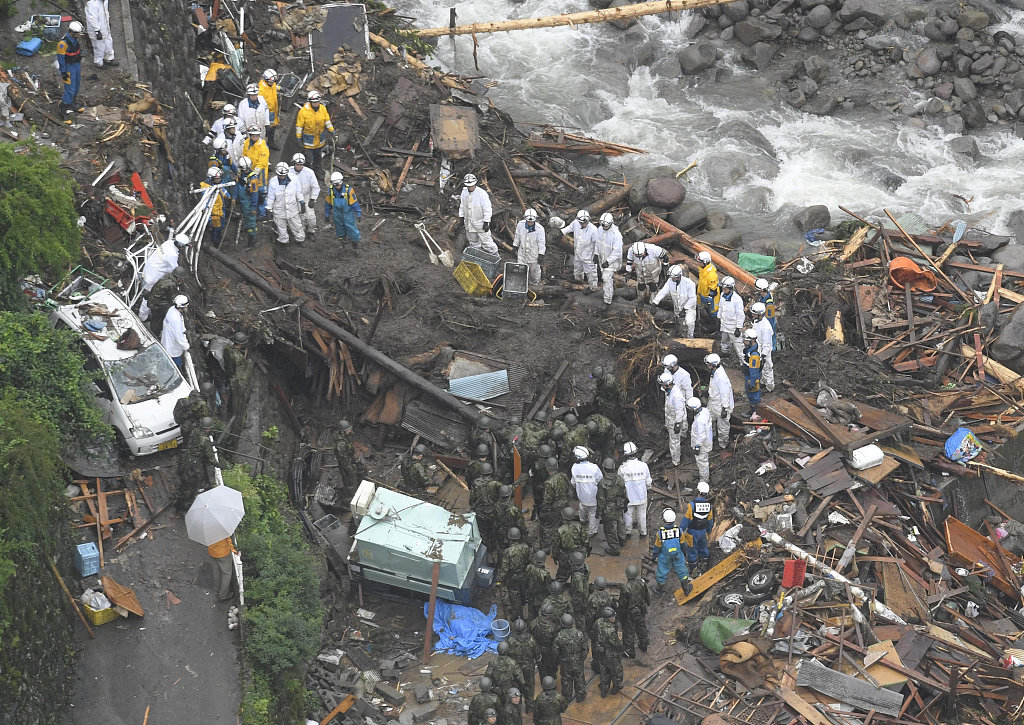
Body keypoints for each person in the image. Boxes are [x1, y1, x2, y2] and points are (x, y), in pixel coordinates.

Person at [139, 232, 188, 322]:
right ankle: (143, 317)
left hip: (149, 268)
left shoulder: (168, 243)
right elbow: (175, 269)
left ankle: (145, 312)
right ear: (181, 246)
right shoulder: (172, 254)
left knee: (148, 294)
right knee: (148, 296)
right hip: (153, 276)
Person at [176, 417, 219, 510]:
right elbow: (211, 457)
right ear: (208, 428)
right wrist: (218, 464)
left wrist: (209, 444)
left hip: (186, 458)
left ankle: (181, 496)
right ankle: (184, 504)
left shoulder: (195, 431)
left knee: (185, 480)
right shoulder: (205, 440)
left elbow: (196, 444)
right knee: (191, 484)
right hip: (194, 464)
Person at [652, 509, 692, 596]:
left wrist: (654, 557)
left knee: (662, 571)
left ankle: (659, 589)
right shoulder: (679, 531)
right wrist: (684, 554)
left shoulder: (660, 533)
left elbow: (657, 547)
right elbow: (683, 544)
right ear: (674, 520)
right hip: (677, 554)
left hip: (665, 556)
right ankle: (686, 589)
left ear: (663, 520)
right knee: (682, 570)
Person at [294, 90, 334, 175]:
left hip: (320, 139)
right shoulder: (304, 112)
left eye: (318, 102)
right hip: (309, 140)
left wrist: (332, 131)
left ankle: (317, 170)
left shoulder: (322, 108)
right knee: (308, 159)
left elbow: (327, 121)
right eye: (314, 102)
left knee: (318, 157)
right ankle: (307, 173)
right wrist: (298, 137)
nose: (316, 104)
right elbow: (299, 126)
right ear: (310, 102)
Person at [652, 264, 697, 337]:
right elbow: (663, 292)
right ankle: (681, 338)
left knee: (689, 323)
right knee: (680, 325)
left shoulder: (689, 284)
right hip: (677, 308)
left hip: (689, 308)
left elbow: (692, 298)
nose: (672, 279)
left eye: (673, 277)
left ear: (679, 276)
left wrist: (685, 309)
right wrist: (654, 303)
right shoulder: (670, 281)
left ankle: (690, 338)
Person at [552, 613, 589, 703]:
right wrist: (581, 659)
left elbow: (555, 652)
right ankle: (580, 697)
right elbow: (586, 648)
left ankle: (566, 698)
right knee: (579, 679)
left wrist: (559, 660)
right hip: (578, 662)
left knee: (566, 681)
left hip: (565, 664)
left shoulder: (559, 636)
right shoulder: (579, 634)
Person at [266, 162, 305, 245]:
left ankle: (300, 239)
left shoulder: (294, 179)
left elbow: (298, 191)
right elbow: (270, 197)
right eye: (280, 176)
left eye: (284, 175)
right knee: (281, 226)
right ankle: (283, 241)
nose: (282, 177)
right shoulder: (273, 182)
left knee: (297, 225)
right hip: (279, 208)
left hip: (292, 207)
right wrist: (268, 208)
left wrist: (302, 202)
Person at [619, 442, 651, 539]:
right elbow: (648, 481)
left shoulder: (622, 468)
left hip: (628, 497)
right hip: (641, 496)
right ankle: (643, 532)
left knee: (628, 514)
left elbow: (620, 484)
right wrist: (647, 488)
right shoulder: (643, 466)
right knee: (641, 514)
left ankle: (628, 532)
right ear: (636, 452)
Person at [562, 210, 600, 292]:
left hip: (588, 255)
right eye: (582, 223)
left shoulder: (593, 230)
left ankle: (592, 287)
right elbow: (568, 228)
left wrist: (596, 254)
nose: (583, 224)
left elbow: (597, 243)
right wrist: (560, 232)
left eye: (585, 223)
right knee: (577, 268)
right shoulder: (575, 223)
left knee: (591, 272)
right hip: (578, 252)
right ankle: (578, 281)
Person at [459, 174, 497, 254]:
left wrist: (486, 222)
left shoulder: (481, 194)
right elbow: (462, 205)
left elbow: (487, 208)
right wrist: (461, 217)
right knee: (473, 242)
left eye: (472, 186)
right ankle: (477, 257)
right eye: (468, 186)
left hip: (480, 222)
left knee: (487, 242)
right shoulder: (464, 192)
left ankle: (495, 257)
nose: (470, 187)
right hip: (469, 223)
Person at [506, 621, 540, 711]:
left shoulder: (510, 640)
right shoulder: (531, 639)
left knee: (516, 686)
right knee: (529, 686)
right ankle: (530, 706)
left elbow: (507, 654)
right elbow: (537, 654)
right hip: (529, 667)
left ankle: (517, 706)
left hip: (515, 668)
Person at [597, 457, 627, 556]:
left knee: (610, 529)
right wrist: (624, 505)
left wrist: (599, 512)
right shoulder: (620, 479)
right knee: (620, 523)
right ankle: (622, 540)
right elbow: (624, 494)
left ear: (604, 469)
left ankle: (614, 548)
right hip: (619, 505)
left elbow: (601, 499)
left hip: (608, 509)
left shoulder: (602, 483)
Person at [539, 458, 570, 553]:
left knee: (547, 527)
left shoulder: (549, 483)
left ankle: (547, 548)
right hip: (565, 505)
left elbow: (547, 500)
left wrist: (543, 510)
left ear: (548, 469)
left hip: (554, 508)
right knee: (562, 525)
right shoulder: (564, 476)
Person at [586, 577, 617, 672]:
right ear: (606, 586)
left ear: (595, 587)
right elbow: (614, 610)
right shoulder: (610, 597)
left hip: (597, 627)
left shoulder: (593, 601)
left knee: (596, 647)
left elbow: (590, 617)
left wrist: (589, 630)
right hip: (609, 625)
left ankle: (597, 666)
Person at [659, 370, 687, 471]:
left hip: (675, 421)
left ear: (667, 384)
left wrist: (678, 424)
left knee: (674, 441)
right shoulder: (669, 391)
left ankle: (676, 461)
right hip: (670, 419)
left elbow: (680, 411)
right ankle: (674, 454)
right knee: (673, 440)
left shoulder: (676, 396)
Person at [57, 21, 85, 122]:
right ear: (72, 32)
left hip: (76, 65)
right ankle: (63, 107)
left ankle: (72, 103)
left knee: (77, 85)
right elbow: (61, 59)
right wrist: (64, 72)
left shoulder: (75, 39)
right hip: (69, 68)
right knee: (70, 88)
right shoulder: (62, 44)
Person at [570, 446, 602, 537]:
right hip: (594, 497)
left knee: (582, 507)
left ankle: (583, 520)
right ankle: (592, 531)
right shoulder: (594, 467)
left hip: (582, 497)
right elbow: (600, 480)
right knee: (593, 514)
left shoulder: (574, 468)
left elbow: (573, 482)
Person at [325, 172, 362, 249]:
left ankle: (355, 244)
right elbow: (328, 204)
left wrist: (358, 213)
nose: (337, 186)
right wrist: (327, 215)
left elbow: (354, 203)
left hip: (348, 214)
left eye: (338, 184)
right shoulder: (331, 191)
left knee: (352, 229)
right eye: (335, 185)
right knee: (339, 229)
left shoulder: (349, 190)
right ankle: (342, 243)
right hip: (337, 214)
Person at [148, 266, 187, 338]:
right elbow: (174, 298)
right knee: (157, 321)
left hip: (153, 300)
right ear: (178, 278)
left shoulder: (167, 276)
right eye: (182, 279)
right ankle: (154, 336)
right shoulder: (171, 284)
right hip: (158, 305)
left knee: (155, 319)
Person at [705, 353, 735, 449]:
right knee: (708, 420)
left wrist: (724, 408)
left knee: (722, 427)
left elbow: (725, 393)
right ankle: (712, 437)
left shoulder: (720, 377)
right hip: (714, 403)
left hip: (721, 406)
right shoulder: (715, 372)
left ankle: (723, 444)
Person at [486, 641, 526, 710]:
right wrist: (522, 685)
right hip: (510, 689)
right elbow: (519, 677)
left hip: (497, 689)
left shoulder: (493, 662)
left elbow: (487, 676)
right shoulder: (512, 662)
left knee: (499, 707)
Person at [683, 481, 714, 569]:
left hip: (692, 533)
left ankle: (693, 569)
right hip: (703, 532)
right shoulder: (709, 506)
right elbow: (710, 521)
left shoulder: (691, 506)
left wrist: (681, 530)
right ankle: (705, 565)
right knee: (703, 548)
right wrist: (709, 531)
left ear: (698, 492)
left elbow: (686, 520)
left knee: (692, 550)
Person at [594, 212, 623, 305]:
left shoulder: (616, 235)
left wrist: (608, 261)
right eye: (602, 225)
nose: (603, 227)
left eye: (605, 226)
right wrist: (595, 254)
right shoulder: (600, 230)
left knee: (606, 278)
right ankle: (611, 290)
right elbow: (597, 242)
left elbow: (617, 252)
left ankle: (607, 301)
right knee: (605, 277)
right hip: (602, 258)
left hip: (611, 261)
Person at [553, 508, 590, 581]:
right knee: (578, 575)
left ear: (563, 517)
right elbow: (586, 541)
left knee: (562, 576)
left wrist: (555, 556)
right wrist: (587, 551)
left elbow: (556, 545)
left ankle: (558, 589)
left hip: (565, 555)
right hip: (578, 554)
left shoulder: (559, 530)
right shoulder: (579, 526)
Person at [594, 607, 623, 697]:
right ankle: (616, 687)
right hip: (611, 654)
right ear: (608, 619)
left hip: (601, 652)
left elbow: (594, 632)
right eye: (612, 617)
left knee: (604, 670)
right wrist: (621, 642)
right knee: (617, 671)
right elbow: (617, 644)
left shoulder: (598, 622)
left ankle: (604, 689)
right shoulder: (610, 630)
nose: (614, 618)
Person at [242, 127, 270, 219]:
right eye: (253, 135)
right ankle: (254, 209)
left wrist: (254, 173)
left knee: (261, 193)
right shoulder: (247, 143)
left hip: (260, 173)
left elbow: (262, 162)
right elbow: (244, 156)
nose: (255, 137)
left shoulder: (263, 147)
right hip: (249, 171)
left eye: (257, 135)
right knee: (251, 191)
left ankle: (263, 213)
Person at [290, 153, 321, 236]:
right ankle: (301, 232)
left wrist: (312, 199)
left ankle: (311, 231)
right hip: (293, 198)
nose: (299, 167)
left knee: (311, 217)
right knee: (298, 217)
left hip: (306, 197)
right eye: (297, 164)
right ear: (293, 164)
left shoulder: (309, 173)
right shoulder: (289, 172)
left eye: (301, 165)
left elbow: (316, 187)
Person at [513, 208, 546, 285]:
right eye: (528, 221)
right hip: (522, 253)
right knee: (521, 272)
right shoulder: (520, 225)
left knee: (534, 274)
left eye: (531, 221)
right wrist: (515, 246)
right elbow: (517, 236)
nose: (530, 223)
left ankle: (534, 286)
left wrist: (541, 254)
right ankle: (521, 286)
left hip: (534, 255)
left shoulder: (540, 229)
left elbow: (541, 242)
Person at [200, 166, 229, 249]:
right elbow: (205, 205)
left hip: (221, 211)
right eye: (218, 178)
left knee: (221, 227)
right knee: (215, 231)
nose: (220, 180)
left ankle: (220, 239)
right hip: (214, 214)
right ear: (211, 178)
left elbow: (223, 191)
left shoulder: (217, 184)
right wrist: (209, 219)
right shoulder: (207, 190)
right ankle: (217, 246)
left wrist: (229, 196)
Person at [717, 276, 746, 362]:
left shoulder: (737, 300)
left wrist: (738, 328)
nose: (724, 290)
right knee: (724, 341)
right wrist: (718, 319)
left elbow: (740, 315)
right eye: (723, 288)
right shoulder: (722, 296)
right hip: (724, 324)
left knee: (738, 346)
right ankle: (725, 353)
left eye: (726, 289)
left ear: (731, 288)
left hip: (733, 327)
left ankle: (743, 362)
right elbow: (721, 308)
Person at [236, 156, 261, 248]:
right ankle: (248, 228)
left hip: (249, 203)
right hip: (243, 201)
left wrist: (254, 207)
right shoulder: (240, 175)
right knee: (246, 218)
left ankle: (252, 242)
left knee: (251, 222)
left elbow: (255, 194)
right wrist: (235, 198)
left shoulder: (253, 179)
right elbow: (237, 186)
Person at [531, 604, 561, 681]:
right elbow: (555, 641)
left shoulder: (534, 623)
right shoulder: (552, 627)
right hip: (549, 651)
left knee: (542, 668)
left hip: (538, 649)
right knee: (552, 668)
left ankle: (544, 683)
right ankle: (551, 682)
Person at [751, 302, 775, 392]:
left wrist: (764, 355)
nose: (752, 315)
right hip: (758, 349)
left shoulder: (765, 327)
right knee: (762, 368)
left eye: (754, 313)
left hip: (764, 351)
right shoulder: (757, 321)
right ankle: (763, 382)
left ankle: (770, 387)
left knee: (767, 368)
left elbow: (767, 343)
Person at [161, 295, 190, 370]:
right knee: (175, 367)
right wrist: (186, 346)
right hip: (173, 350)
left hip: (166, 343)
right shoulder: (176, 319)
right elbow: (178, 336)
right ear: (182, 306)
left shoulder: (172, 310)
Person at [84, 0, 116, 68]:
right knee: (99, 47)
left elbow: (105, 12)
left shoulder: (104, 1)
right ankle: (99, 63)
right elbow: (92, 18)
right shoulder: (92, 4)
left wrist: (108, 21)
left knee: (108, 43)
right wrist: (97, 31)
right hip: (96, 29)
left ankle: (108, 58)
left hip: (104, 26)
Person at [688, 397, 713, 483]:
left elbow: (701, 435)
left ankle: (704, 480)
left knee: (702, 462)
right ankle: (704, 475)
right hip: (707, 440)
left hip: (702, 443)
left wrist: (697, 446)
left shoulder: (699, 421)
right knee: (704, 461)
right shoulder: (704, 411)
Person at [333, 420, 363, 492]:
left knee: (351, 476)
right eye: (348, 430)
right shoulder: (341, 444)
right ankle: (351, 495)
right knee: (351, 479)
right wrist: (350, 469)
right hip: (345, 463)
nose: (349, 431)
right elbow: (344, 459)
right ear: (342, 432)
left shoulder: (343, 437)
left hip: (348, 458)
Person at [494, 487, 527, 552]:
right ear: (509, 495)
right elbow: (520, 523)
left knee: (502, 550)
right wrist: (525, 533)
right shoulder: (513, 509)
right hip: (513, 534)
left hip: (500, 532)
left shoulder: (496, 505)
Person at [696, 250, 720, 333]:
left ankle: (717, 329)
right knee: (708, 313)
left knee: (713, 314)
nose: (698, 263)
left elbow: (713, 290)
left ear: (705, 262)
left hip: (710, 299)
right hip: (703, 295)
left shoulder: (711, 274)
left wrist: (709, 299)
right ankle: (711, 326)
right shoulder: (703, 270)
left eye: (700, 262)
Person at [524, 550, 552, 620]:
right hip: (541, 596)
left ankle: (530, 624)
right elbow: (548, 587)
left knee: (531, 611)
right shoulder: (545, 574)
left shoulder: (529, 567)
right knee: (540, 612)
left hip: (530, 593)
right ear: (544, 560)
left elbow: (526, 580)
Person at [207, 536, 236, 601]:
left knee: (216, 572)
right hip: (223, 552)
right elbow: (229, 540)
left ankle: (217, 592)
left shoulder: (207, 527)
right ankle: (223, 595)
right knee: (226, 574)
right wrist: (235, 551)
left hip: (212, 551)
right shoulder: (222, 527)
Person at [742, 327, 763, 409]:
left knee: (753, 395)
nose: (744, 342)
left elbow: (754, 371)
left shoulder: (754, 355)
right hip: (749, 375)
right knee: (754, 394)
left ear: (751, 341)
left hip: (752, 377)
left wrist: (752, 383)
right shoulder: (752, 349)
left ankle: (755, 412)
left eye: (745, 340)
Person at [258, 69, 280, 147]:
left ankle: (271, 142)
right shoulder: (261, 90)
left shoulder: (272, 84)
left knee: (273, 129)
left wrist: (280, 88)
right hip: (267, 114)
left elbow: (274, 87)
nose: (273, 83)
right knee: (267, 130)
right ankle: (266, 144)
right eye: (271, 81)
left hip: (274, 112)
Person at [567, 551, 591, 622]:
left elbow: (579, 590)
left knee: (578, 612)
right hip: (586, 589)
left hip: (580, 597)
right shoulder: (585, 565)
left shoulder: (578, 577)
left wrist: (576, 600)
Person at [755, 277, 777, 348]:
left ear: (761, 290)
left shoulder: (769, 304)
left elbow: (770, 321)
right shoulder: (763, 297)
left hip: (767, 323)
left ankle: (772, 349)